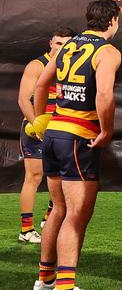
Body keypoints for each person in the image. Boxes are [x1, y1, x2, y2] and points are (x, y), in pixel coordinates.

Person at [32, 0, 122, 290]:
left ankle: (45, 279)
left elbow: (41, 84)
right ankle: (65, 288)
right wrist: (107, 130)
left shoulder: (66, 47)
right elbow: (105, 94)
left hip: (55, 133)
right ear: (113, 21)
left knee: (58, 208)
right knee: (76, 213)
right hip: (78, 136)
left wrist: (39, 120)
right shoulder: (107, 51)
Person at [16, 27, 72, 244]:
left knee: (60, 176)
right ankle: (26, 229)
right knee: (34, 176)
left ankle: (49, 217)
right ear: (51, 43)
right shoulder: (36, 65)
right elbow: (23, 100)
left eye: (66, 44)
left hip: (61, 128)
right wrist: (37, 125)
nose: (62, 48)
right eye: (58, 43)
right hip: (36, 128)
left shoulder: (70, 66)